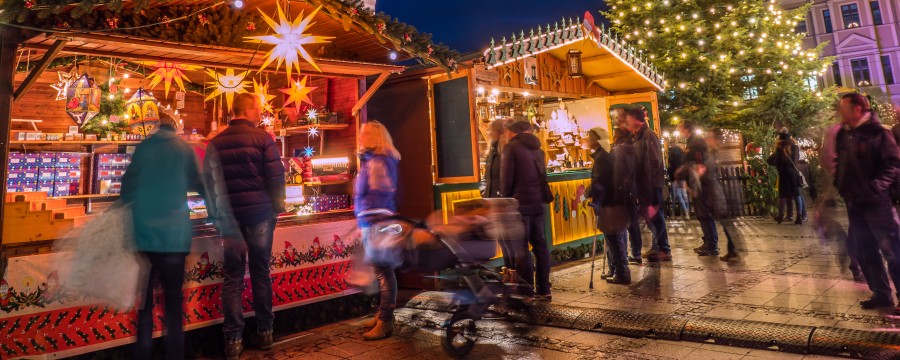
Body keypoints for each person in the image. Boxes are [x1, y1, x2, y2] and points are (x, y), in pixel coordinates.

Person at [122, 114, 206, 360]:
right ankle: (174, 355)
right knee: (172, 307)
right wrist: (209, 217)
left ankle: (142, 354)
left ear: (158, 126)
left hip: (144, 239)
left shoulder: (144, 148)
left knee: (145, 307)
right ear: (176, 126)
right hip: (174, 240)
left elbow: (126, 188)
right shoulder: (183, 150)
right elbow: (198, 187)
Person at [207, 93, 285, 359]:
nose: (260, 114)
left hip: (229, 219)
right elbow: (276, 177)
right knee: (261, 273)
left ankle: (233, 340)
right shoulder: (263, 139)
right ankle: (265, 333)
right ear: (249, 110)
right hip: (260, 214)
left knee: (233, 277)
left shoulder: (215, 142)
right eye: (258, 109)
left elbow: (208, 183)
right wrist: (277, 206)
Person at [834, 92, 900, 312]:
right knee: (865, 251)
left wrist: (877, 187)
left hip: (878, 204)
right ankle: (882, 295)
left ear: (857, 109)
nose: (840, 113)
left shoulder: (879, 133)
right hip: (855, 204)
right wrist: (840, 184)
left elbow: (893, 164)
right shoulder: (844, 135)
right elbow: (841, 163)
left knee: (893, 251)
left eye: (843, 109)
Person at [355, 121, 402, 340]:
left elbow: (378, 191)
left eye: (366, 134)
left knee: (384, 271)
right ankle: (383, 315)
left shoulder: (379, 161)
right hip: (372, 220)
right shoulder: (373, 160)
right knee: (381, 271)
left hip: (377, 221)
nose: (361, 137)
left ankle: (385, 321)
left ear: (376, 137)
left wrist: (369, 217)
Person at [501, 118, 552, 301]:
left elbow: (506, 180)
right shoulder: (538, 150)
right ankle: (544, 289)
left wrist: (504, 202)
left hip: (519, 205)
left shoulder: (511, 149)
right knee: (540, 247)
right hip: (537, 204)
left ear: (512, 132)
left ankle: (526, 291)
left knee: (521, 249)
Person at [586, 127, 633, 284]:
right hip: (615, 200)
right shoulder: (608, 153)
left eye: (589, 137)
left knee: (614, 239)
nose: (587, 140)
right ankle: (617, 270)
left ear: (596, 140)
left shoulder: (602, 157)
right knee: (615, 238)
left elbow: (601, 181)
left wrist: (589, 191)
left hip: (609, 202)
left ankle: (622, 273)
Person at [625, 107, 671, 262]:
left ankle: (664, 249)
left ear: (635, 119)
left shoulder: (648, 135)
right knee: (650, 216)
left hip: (651, 186)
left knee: (655, 216)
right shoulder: (637, 136)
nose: (627, 122)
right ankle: (657, 246)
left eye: (628, 119)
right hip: (643, 185)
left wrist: (649, 184)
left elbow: (654, 162)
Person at [482, 118, 515, 270]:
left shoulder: (505, 151)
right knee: (502, 240)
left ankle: (514, 272)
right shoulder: (493, 152)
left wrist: (503, 197)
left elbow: (507, 177)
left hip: (503, 203)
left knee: (509, 240)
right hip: (493, 201)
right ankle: (509, 271)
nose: (488, 133)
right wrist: (484, 191)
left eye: (490, 130)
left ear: (499, 133)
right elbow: (488, 177)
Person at [768, 128, 805, 224]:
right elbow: (796, 160)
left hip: (783, 173)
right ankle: (799, 217)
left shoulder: (779, 147)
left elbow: (775, 160)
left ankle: (780, 216)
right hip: (793, 173)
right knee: (797, 195)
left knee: (783, 195)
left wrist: (778, 166)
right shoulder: (795, 146)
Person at [668, 143, 690, 220]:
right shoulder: (683, 156)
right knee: (684, 196)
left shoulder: (673, 156)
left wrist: (671, 174)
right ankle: (685, 213)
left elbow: (671, 167)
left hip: (675, 178)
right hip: (683, 178)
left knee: (677, 195)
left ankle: (683, 212)